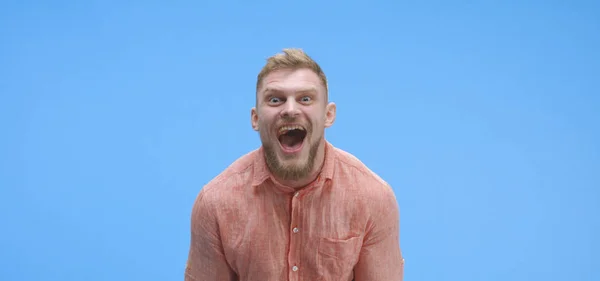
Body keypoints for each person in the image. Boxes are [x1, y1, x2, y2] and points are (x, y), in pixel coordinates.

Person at [184, 48, 404, 281]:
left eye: (305, 99)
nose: (290, 109)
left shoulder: (373, 198)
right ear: (255, 118)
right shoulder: (215, 204)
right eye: (275, 99)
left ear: (328, 115)